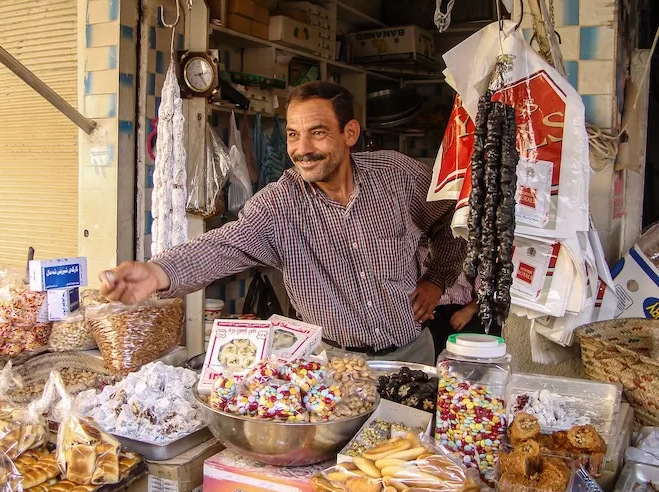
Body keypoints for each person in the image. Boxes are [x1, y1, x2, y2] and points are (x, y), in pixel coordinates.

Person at [102, 82, 466, 365]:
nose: (302, 149)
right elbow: (222, 245)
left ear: (350, 133)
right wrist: (158, 272)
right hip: (333, 363)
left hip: (413, 352)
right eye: (293, 134)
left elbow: (453, 217)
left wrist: (436, 279)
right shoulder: (279, 205)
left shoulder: (398, 177)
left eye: (318, 132)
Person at [415, 238, 503, 357]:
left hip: (467, 310)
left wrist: (469, 310)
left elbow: (487, 291)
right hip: (433, 314)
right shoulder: (416, 249)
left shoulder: (469, 246)